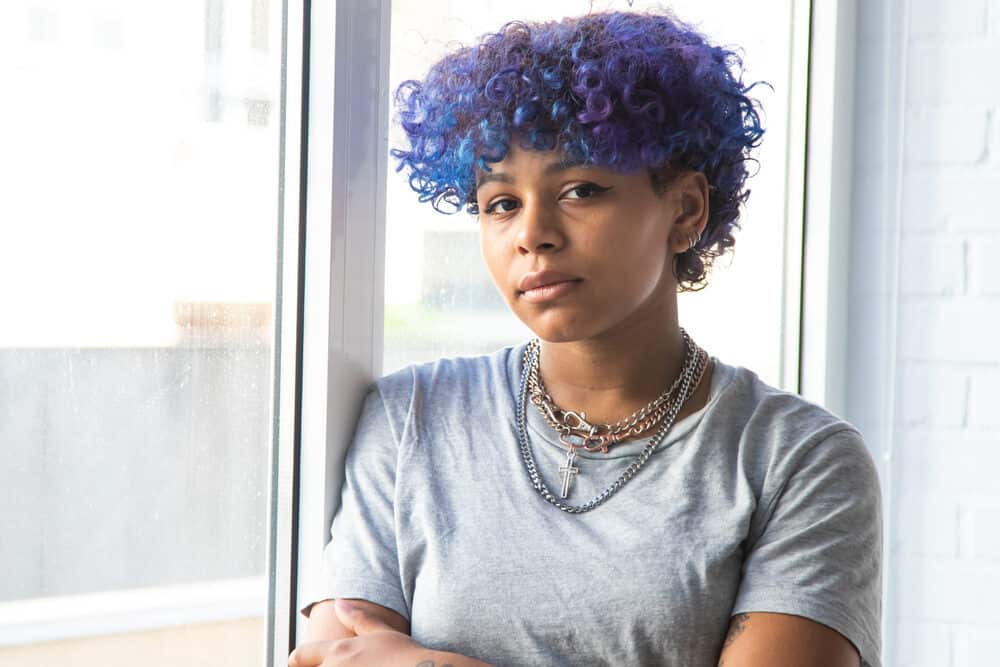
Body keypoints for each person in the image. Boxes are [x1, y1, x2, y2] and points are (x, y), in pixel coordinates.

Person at [289, 9, 882, 667]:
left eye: (580, 189)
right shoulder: (411, 418)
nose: (532, 233)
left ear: (685, 209)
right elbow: (334, 657)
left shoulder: (799, 460)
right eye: (501, 202)